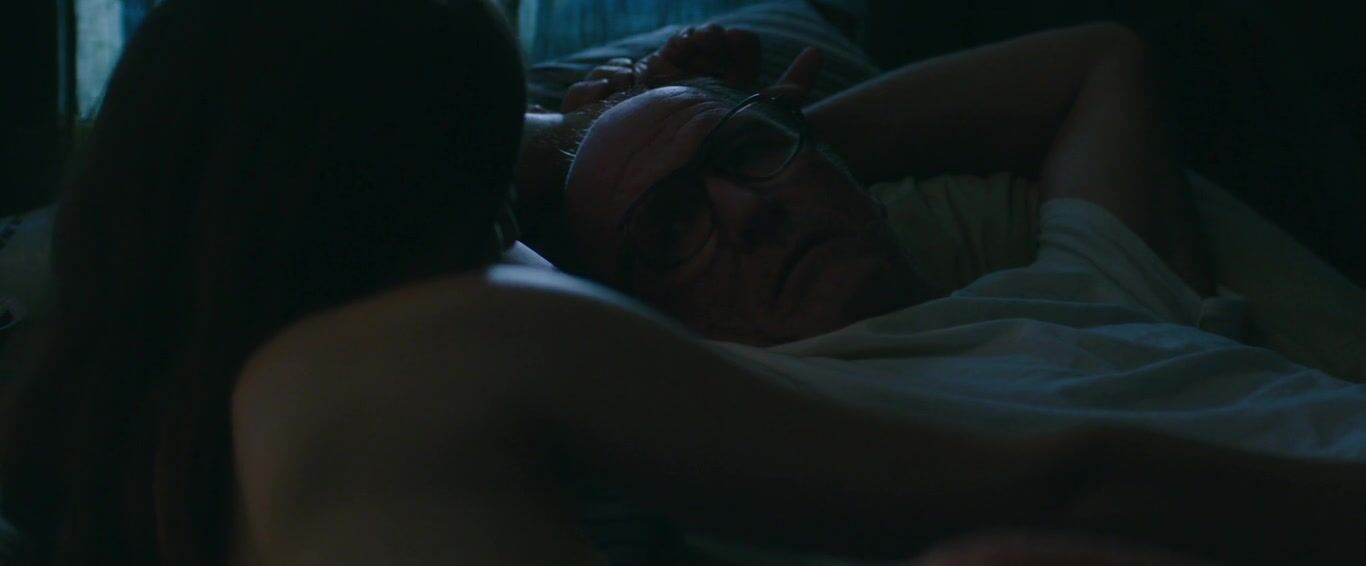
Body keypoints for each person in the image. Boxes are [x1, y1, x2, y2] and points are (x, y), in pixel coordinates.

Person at [3, 3, 1364, 566]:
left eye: (747, 164)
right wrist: (585, 143)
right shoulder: (662, 401)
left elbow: (1097, 61)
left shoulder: (1085, 280)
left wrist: (766, 134)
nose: (742, 214)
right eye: (666, 231)